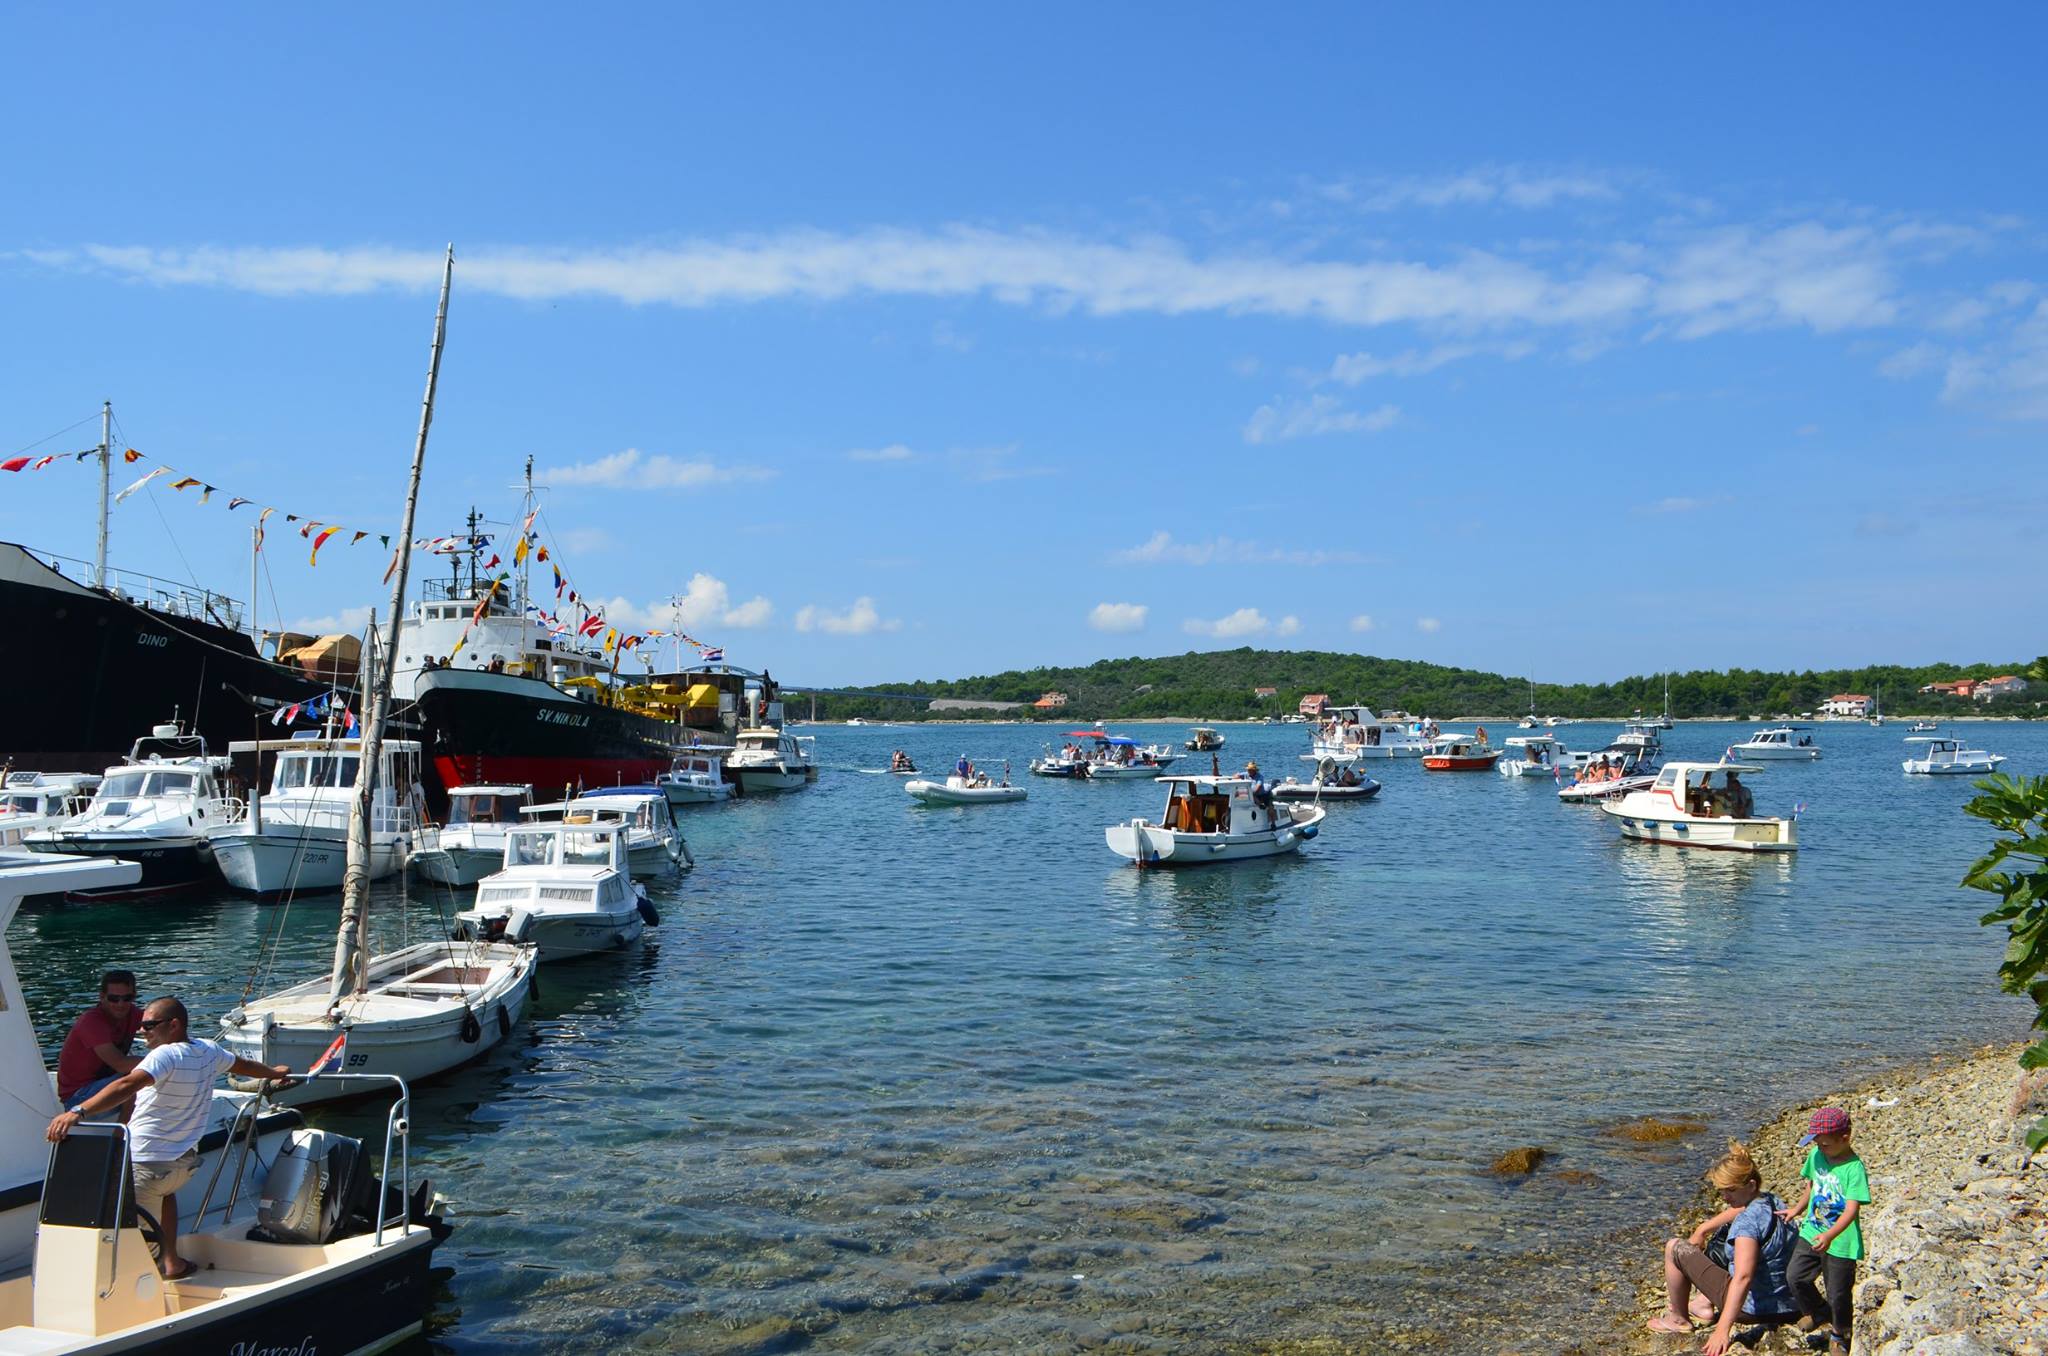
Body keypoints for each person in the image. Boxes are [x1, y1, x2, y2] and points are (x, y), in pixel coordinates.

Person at [47, 997, 292, 1280]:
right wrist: (273, 1072)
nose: (143, 1032)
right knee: (165, 1196)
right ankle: (172, 1262)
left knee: (136, 1247)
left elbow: (127, 1084)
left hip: (146, 1164)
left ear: (173, 1025)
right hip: (179, 1166)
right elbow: (244, 1066)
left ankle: (142, 1292)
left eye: (150, 1025)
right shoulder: (208, 1050)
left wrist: (78, 1111)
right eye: (141, 1026)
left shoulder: (164, 1055)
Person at [1647, 1140, 1802, 1351]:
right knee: (1721, 1238)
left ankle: (1678, 1319)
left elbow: (1744, 1277)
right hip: (1788, 1304)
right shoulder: (1773, 1201)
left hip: (1754, 1310)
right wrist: (1702, 1229)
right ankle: (1702, 1303)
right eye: (1721, 1191)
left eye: (1730, 1190)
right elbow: (1738, 1210)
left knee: (1674, 1247)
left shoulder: (1747, 1225)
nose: (1725, 1197)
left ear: (1751, 1186)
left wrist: (1722, 1329)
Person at [1781, 1108, 1870, 1354]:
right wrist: (1796, 1210)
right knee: (1795, 1276)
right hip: (1812, 1229)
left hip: (1841, 1240)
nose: (1821, 1148)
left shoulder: (1854, 1169)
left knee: (1838, 1294)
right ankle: (1819, 1311)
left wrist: (1830, 1235)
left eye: (1826, 1144)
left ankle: (1841, 1333)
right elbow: (1811, 1186)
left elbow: (1851, 1209)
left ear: (1845, 1137)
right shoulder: (1816, 1155)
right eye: (1817, 1143)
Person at [57, 970, 144, 1110]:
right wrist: (161, 1060)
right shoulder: (91, 1022)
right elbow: (120, 1064)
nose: (120, 1004)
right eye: (114, 999)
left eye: (127, 998)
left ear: (133, 996)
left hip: (103, 1085)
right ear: (102, 997)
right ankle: (121, 1130)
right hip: (78, 1098)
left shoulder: (132, 1014)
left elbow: (160, 1025)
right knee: (137, 1077)